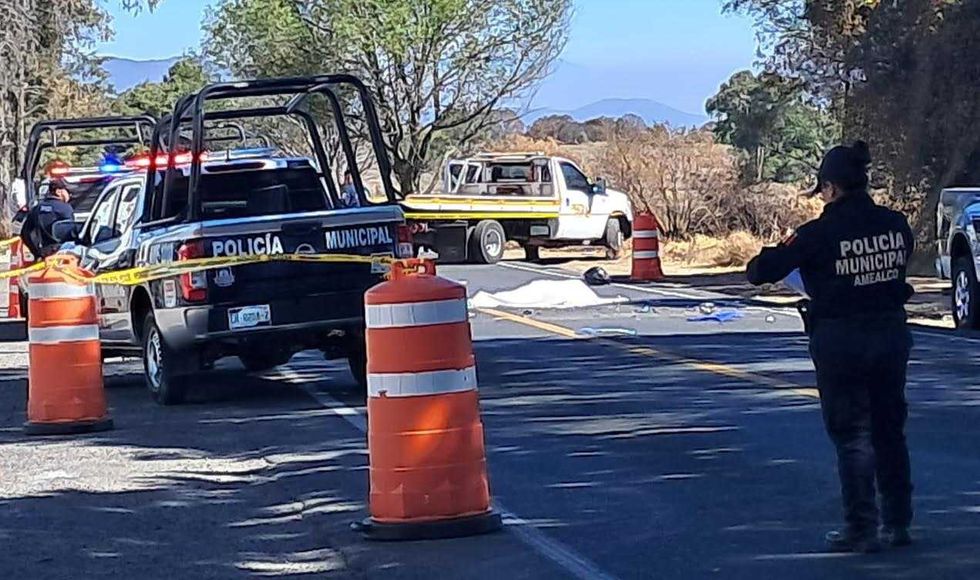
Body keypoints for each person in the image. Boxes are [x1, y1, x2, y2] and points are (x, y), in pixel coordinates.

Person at [746, 141, 915, 554]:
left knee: (853, 435)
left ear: (832, 188)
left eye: (822, 190)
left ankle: (862, 528)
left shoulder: (817, 234)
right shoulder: (896, 225)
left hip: (842, 340)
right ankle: (898, 522)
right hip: (891, 336)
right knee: (889, 430)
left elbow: (760, 271)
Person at [20, 178, 75, 258]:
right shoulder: (65, 208)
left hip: (45, 253)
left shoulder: (37, 208)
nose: (70, 195)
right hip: (63, 253)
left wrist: (36, 252)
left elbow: (25, 232)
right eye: (67, 191)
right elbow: (71, 233)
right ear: (58, 192)